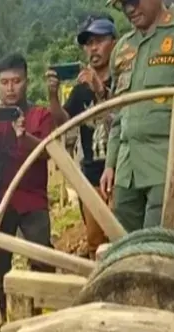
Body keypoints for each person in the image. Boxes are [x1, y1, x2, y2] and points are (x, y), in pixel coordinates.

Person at [100, 0, 174, 241]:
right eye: (123, 4)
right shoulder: (123, 47)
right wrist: (110, 162)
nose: (129, 9)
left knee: (160, 246)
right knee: (126, 246)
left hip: (168, 164)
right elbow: (118, 111)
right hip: (127, 169)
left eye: (134, 1)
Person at [0, 53, 55, 317]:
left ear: (26, 81)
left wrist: (25, 136)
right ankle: (1, 316)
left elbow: (48, 151)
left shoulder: (40, 115)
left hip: (33, 198)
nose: (10, 88)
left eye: (16, 81)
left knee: (43, 259)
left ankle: (45, 314)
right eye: (5, 82)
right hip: (1, 201)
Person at [50, 16, 117, 258]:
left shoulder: (124, 79)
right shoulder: (80, 90)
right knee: (95, 243)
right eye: (88, 43)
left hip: (123, 173)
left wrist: (100, 89)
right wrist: (53, 95)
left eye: (99, 41)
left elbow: (125, 116)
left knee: (125, 239)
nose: (93, 48)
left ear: (114, 42)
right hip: (91, 176)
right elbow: (63, 121)